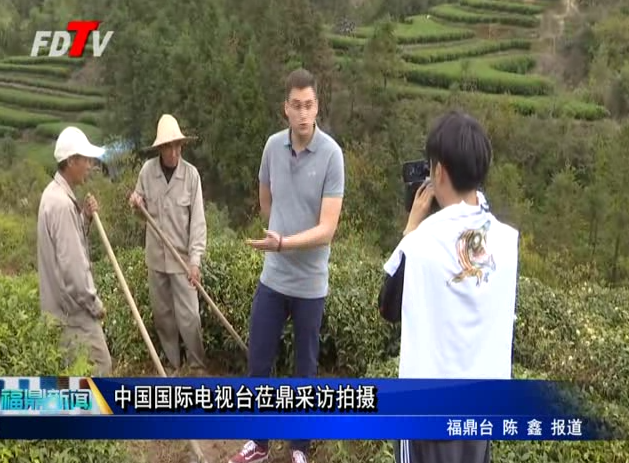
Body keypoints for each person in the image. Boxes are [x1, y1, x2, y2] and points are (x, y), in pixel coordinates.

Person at [378, 111, 519, 463]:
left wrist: (411, 226)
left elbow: (388, 307)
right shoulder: (505, 240)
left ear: (438, 170)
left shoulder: (423, 240)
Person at [229, 68, 345, 463]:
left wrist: (284, 242)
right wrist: (276, 234)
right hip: (273, 279)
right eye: (295, 105)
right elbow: (266, 198)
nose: (302, 113)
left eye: (309, 105)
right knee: (259, 360)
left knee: (304, 370)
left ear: (317, 107)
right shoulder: (271, 147)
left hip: (311, 282)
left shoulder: (332, 154)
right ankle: (258, 443)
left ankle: (299, 448)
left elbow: (328, 229)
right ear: (286, 108)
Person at [129, 114, 208, 375]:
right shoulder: (147, 172)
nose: (173, 152)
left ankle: (196, 364)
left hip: (182, 261)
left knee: (190, 316)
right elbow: (141, 213)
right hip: (156, 258)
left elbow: (197, 223)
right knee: (163, 315)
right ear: (160, 148)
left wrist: (195, 261)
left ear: (182, 146)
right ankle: (173, 364)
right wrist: (136, 203)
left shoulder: (191, 176)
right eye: (168, 146)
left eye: (177, 146)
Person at [37, 126, 113, 376]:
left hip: (59, 311)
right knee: (102, 367)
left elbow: (65, 246)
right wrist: (95, 304)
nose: (90, 165)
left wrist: (85, 217)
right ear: (71, 161)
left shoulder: (54, 196)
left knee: (74, 378)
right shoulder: (60, 205)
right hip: (74, 314)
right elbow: (73, 270)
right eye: (86, 159)